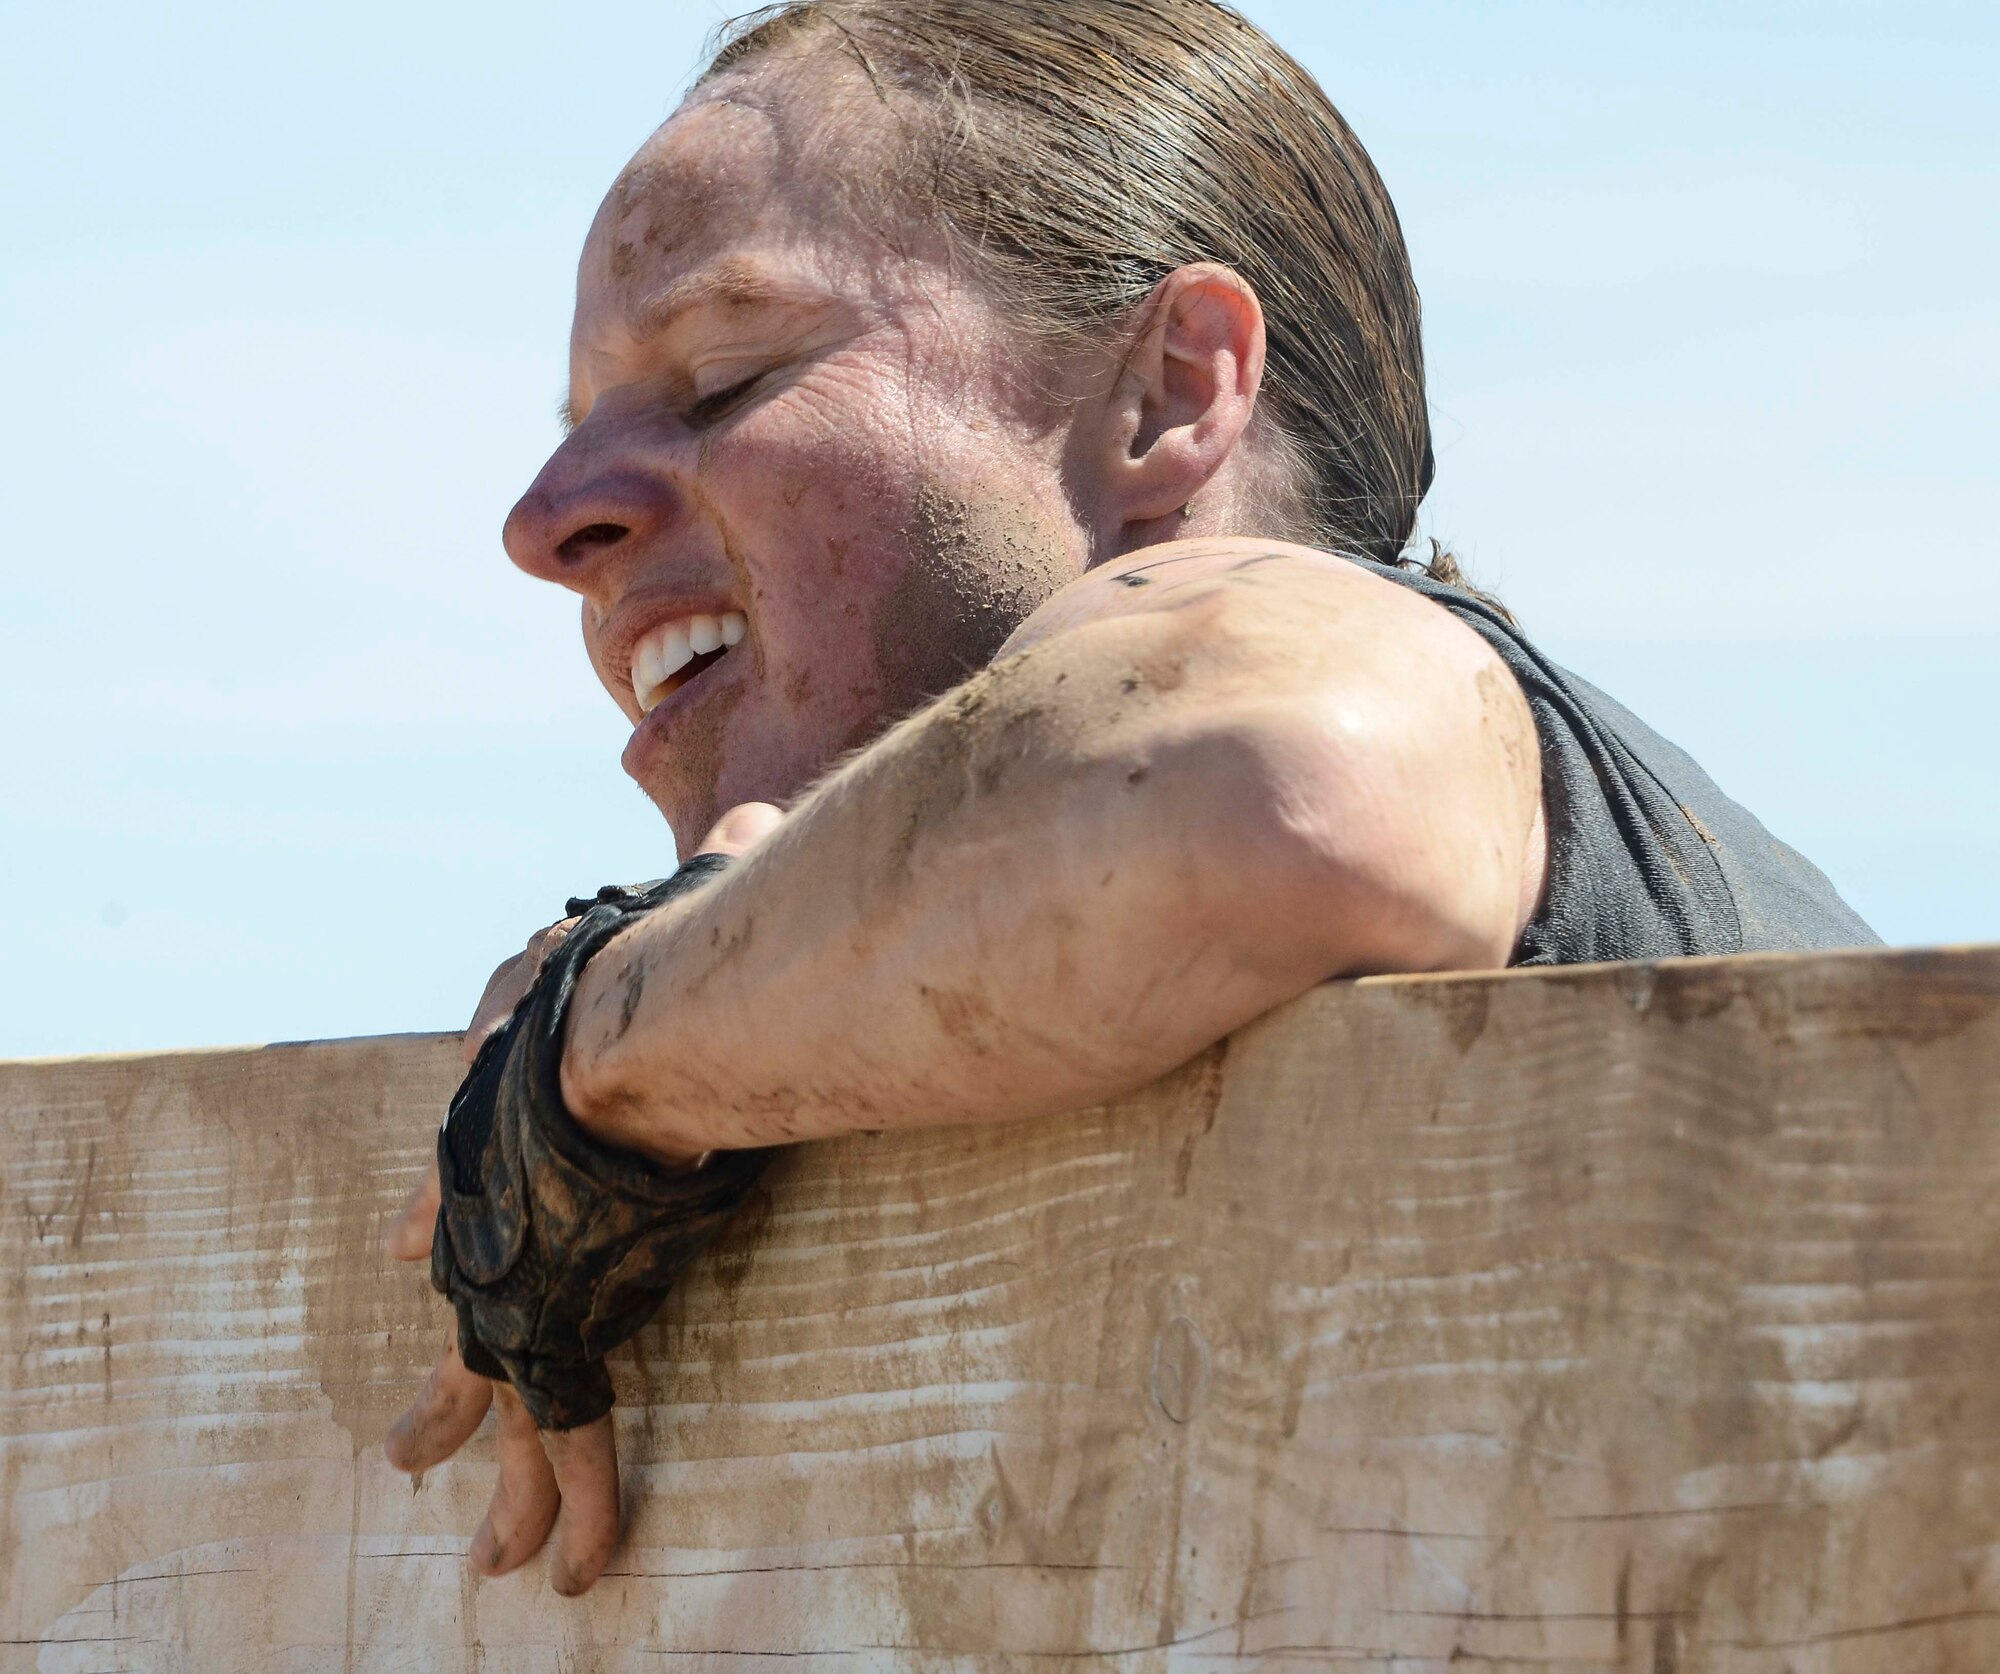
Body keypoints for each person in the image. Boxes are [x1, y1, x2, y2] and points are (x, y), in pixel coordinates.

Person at [379, 0, 1878, 1596]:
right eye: (574, 432)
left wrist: (601, 1049)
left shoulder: (1434, 702)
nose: (544, 523)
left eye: (727, 372)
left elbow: (1265, 774)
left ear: (1173, 392)